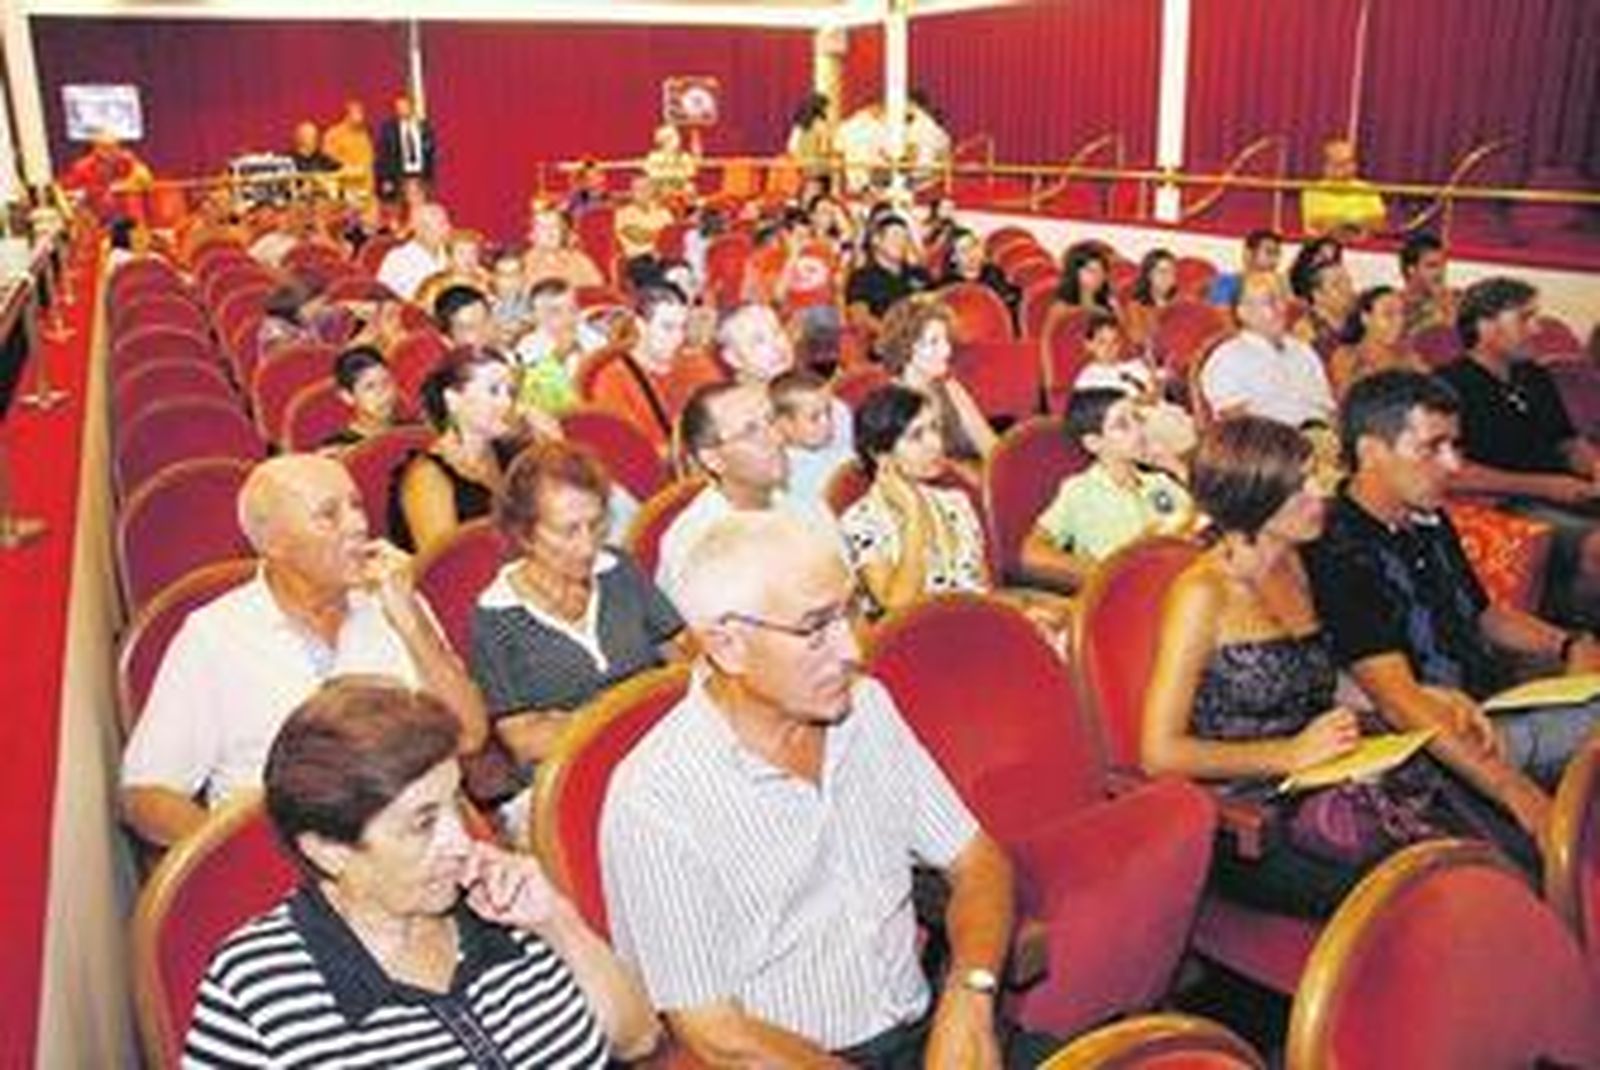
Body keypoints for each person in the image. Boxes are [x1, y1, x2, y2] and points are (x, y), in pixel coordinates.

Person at [601, 511, 1057, 1066]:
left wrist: (970, 994)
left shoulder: (867, 707)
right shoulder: (656, 797)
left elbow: (977, 860)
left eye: (850, 611)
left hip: (925, 1028)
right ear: (727, 646)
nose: (852, 650)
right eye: (815, 628)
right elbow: (714, 1033)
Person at [184, 679, 658, 1067]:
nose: (461, 842)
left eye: (456, 802)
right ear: (329, 850)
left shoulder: (497, 903)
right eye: (423, 824)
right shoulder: (256, 985)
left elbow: (639, 1039)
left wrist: (556, 921)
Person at [1142, 417, 1482, 918]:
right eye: (1298, 485)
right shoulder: (1202, 594)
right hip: (1248, 821)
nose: (1319, 492)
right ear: (1252, 499)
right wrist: (1291, 754)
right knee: (1424, 895)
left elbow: (1306, 678)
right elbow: (1159, 753)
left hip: (1324, 782)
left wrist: (1423, 696)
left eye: (1314, 476)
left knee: (1472, 848)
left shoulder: (1295, 563)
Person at [120, 455, 487, 847]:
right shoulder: (215, 636)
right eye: (329, 515)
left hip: (420, 849)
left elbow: (468, 736)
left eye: (357, 506)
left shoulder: (396, 602)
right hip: (283, 865)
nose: (359, 525)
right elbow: (147, 795)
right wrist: (245, 861)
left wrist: (412, 622)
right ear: (274, 542)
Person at [1304, 370, 1600, 837]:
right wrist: (1514, 791)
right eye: (1431, 448)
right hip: (1446, 749)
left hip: (1493, 704)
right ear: (1370, 452)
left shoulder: (1426, 515)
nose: (1454, 465)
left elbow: (1484, 615)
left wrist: (1568, 643)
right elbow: (1399, 701)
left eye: (1454, 446)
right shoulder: (1336, 549)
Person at [470, 442, 685, 775]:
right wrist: (641, 705)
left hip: (666, 750)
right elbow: (525, 740)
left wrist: (573, 719)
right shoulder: (496, 616)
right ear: (524, 534)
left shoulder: (617, 569)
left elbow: (687, 660)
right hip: (578, 771)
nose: (587, 546)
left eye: (596, 524)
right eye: (568, 531)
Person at [1437, 277, 1600, 625]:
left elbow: (1568, 443)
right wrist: (1544, 486)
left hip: (1564, 491)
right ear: (1485, 325)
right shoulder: (1449, 384)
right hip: (1503, 502)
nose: (1537, 328)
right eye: (1524, 318)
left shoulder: (1534, 375)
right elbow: (1454, 471)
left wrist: (1595, 466)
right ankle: (1575, 638)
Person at [654, 381, 823, 601]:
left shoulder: (803, 503)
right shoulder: (698, 544)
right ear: (713, 459)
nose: (777, 439)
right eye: (750, 431)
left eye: (771, 421)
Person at [1021, 388, 1194, 592]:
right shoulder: (1080, 491)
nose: (1139, 431)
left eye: (1138, 419)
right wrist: (1106, 574)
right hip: (1125, 595)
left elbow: (1206, 516)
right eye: (1122, 426)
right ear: (1094, 443)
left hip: (1177, 582)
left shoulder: (1158, 480)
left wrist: (1176, 467)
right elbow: (1032, 553)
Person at [841, 384, 992, 613]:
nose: (936, 445)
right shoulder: (862, 521)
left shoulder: (956, 502)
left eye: (935, 428)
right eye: (916, 436)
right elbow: (898, 606)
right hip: (913, 643)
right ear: (880, 454)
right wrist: (913, 514)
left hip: (973, 629)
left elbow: (983, 591)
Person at [388, 347, 531, 556]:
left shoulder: (510, 451)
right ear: (453, 401)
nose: (506, 402)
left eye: (510, 392)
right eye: (493, 391)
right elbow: (447, 573)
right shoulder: (427, 476)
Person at [587, 285, 722, 450]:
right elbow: (632, 450)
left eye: (683, 327)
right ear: (641, 326)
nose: (678, 338)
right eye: (668, 327)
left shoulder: (696, 363)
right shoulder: (612, 379)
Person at [1200, 272, 1335, 430]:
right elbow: (1236, 424)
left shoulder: (1304, 351)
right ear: (1243, 312)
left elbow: (1329, 408)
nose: (1281, 308)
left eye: (1282, 299)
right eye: (1270, 301)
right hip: (1269, 446)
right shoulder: (1227, 358)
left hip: (1320, 438)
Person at [876, 297, 997, 469]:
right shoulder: (893, 405)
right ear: (905, 348)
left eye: (946, 340)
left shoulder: (949, 385)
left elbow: (988, 444)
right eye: (934, 342)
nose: (946, 351)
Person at [512, 277, 606, 416]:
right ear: (536, 316)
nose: (567, 317)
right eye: (555, 312)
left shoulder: (588, 332)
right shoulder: (527, 349)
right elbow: (538, 400)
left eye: (572, 309)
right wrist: (560, 356)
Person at [1326, 285, 1425, 401]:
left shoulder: (1407, 356)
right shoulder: (1347, 356)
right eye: (1388, 314)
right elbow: (1344, 400)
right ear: (1365, 318)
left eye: (1402, 314)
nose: (1398, 322)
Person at [772, 368, 853, 506]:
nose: (826, 422)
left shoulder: (837, 448)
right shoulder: (792, 475)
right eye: (814, 418)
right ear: (785, 425)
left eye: (828, 412)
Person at [845, 214, 934, 329]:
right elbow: (859, 316)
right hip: (885, 340)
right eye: (895, 235)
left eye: (905, 237)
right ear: (876, 240)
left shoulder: (919, 274)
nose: (900, 242)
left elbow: (937, 303)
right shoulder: (862, 278)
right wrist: (890, 335)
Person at [1301, 138, 1387, 239]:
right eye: (1338, 164)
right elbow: (1317, 224)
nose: (1344, 168)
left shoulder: (1367, 189)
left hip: (1363, 245)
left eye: (1348, 163)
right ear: (1326, 166)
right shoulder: (1314, 190)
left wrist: (1352, 224)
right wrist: (1350, 223)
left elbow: (1379, 225)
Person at [60, 130, 152, 224]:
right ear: (95, 148)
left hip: (124, 216)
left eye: (114, 147)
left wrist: (124, 186)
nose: (111, 152)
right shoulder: (82, 167)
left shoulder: (125, 160)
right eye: (105, 148)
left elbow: (146, 181)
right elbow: (66, 195)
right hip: (96, 217)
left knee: (132, 198)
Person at [321, 346, 400, 449]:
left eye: (386, 381)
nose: (383, 392)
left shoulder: (409, 431)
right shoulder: (340, 448)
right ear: (347, 396)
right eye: (370, 387)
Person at [939, 227, 1021, 322]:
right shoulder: (949, 287)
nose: (971, 254)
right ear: (953, 258)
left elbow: (1009, 302)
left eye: (973, 246)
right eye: (964, 251)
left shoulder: (993, 274)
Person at [376, 201, 450, 301]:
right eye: (441, 225)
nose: (448, 229)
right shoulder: (398, 258)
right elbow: (383, 295)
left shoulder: (452, 253)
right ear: (420, 230)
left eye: (447, 223)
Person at [1290, 252, 1355, 361]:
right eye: (1337, 284)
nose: (1347, 289)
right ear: (1317, 295)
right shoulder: (1306, 332)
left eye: (1348, 282)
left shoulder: (1358, 322)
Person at [524, 202, 604, 290]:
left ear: (564, 231)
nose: (550, 232)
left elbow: (597, 292)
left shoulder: (581, 262)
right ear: (533, 233)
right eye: (543, 227)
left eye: (555, 226)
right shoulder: (524, 264)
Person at [614, 177, 675, 289]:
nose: (643, 192)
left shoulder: (664, 212)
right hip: (639, 259)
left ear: (652, 190)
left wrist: (654, 236)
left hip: (665, 258)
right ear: (631, 192)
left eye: (646, 188)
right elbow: (638, 237)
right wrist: (660, 235)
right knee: (654, 279)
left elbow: (673, 237)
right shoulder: (623, 214)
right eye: (638, 189)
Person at [375, 94, 436, 202]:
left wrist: (429, 176)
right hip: (400, 175)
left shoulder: (423, 127)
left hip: (421, 174)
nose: (401, 110)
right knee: (403, 207)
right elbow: (383, 155)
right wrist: (386, 179)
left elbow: (430, 153)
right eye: (398, 108)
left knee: (422, 204)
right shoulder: (389, 130)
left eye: (404, 107)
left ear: (411, 107)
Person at [1398, 231, 1456, 336]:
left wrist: (1445, 306)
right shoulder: (1394, 306)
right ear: (1411, 269)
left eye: (1442, 266)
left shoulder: (1453, 301)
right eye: (1431, 266)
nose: (1439, 273)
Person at [1207, 229, 1281, 308]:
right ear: (1248, 254)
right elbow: (1218, 316)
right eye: (1269, 252)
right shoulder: (1227, 284)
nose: (1274, 260)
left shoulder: (1278, 287)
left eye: (1277, 254)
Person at [1123, 248, 1178, 353]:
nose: (1167, 277)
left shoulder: (1181, 303)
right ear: (1149, 274)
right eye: (1162, 272)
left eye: (1172, 272)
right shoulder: (1136, 308)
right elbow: (1138, 341)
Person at [320, 99, 375, 202]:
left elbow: (369, 160)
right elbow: (328, 160)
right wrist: (348, 168)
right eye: (357, 113)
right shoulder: (333, 135)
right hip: (345, 189)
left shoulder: (364, 135)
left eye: (362, 113)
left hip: (366, 189)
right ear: (347, 115)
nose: (361, 117)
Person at [1053, 240, 1116, 316]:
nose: (1101, 277)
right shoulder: (1062, 309)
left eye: (1105, 271)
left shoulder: (1111, 305)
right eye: (1092, 271)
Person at [642, 123, 699, 198]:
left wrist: (695, 139)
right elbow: (653, 179)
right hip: (660, 195)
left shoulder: (682, 157)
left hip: (680, 195)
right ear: (667, 140)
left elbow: (694, 167)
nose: (679, 139)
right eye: (676, 136)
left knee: (690, 188)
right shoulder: (654, 158)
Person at [785, 91, 834, 176]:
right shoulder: (822, 126)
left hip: (801, 168)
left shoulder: (799, 126)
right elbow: (824, 149)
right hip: (819, 169)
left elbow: (791, 148)